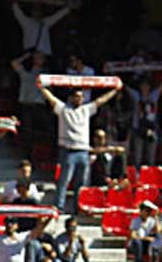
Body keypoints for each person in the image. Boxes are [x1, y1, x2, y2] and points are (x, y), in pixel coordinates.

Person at [38, 81, 121, 211]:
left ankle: (79, 207)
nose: (80, 99)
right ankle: (59, 206)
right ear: (71, 98)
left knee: (82, 183)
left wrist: (114, 91)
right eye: (77, 96)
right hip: (68, 150)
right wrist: (42, 88)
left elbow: (100, 101)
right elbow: (52, 99)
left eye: (81, 97)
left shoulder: (86, 109)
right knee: (64, 181)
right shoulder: (63, 109)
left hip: (83, 151)